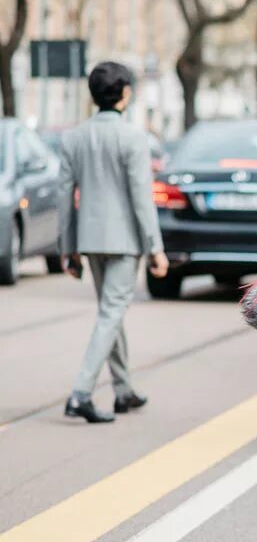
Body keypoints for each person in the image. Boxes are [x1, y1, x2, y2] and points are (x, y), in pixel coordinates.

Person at [58, 62, 169, 424]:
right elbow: (141, 198)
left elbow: (64, 198)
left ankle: (123, 390)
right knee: (111, 313)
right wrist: (155, 249)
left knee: (111, 311)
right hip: (124, 242)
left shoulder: (73, 138)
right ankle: (81, 394)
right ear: (125, 93)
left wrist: (67, 248)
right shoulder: (133, 137)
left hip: (89, 240)